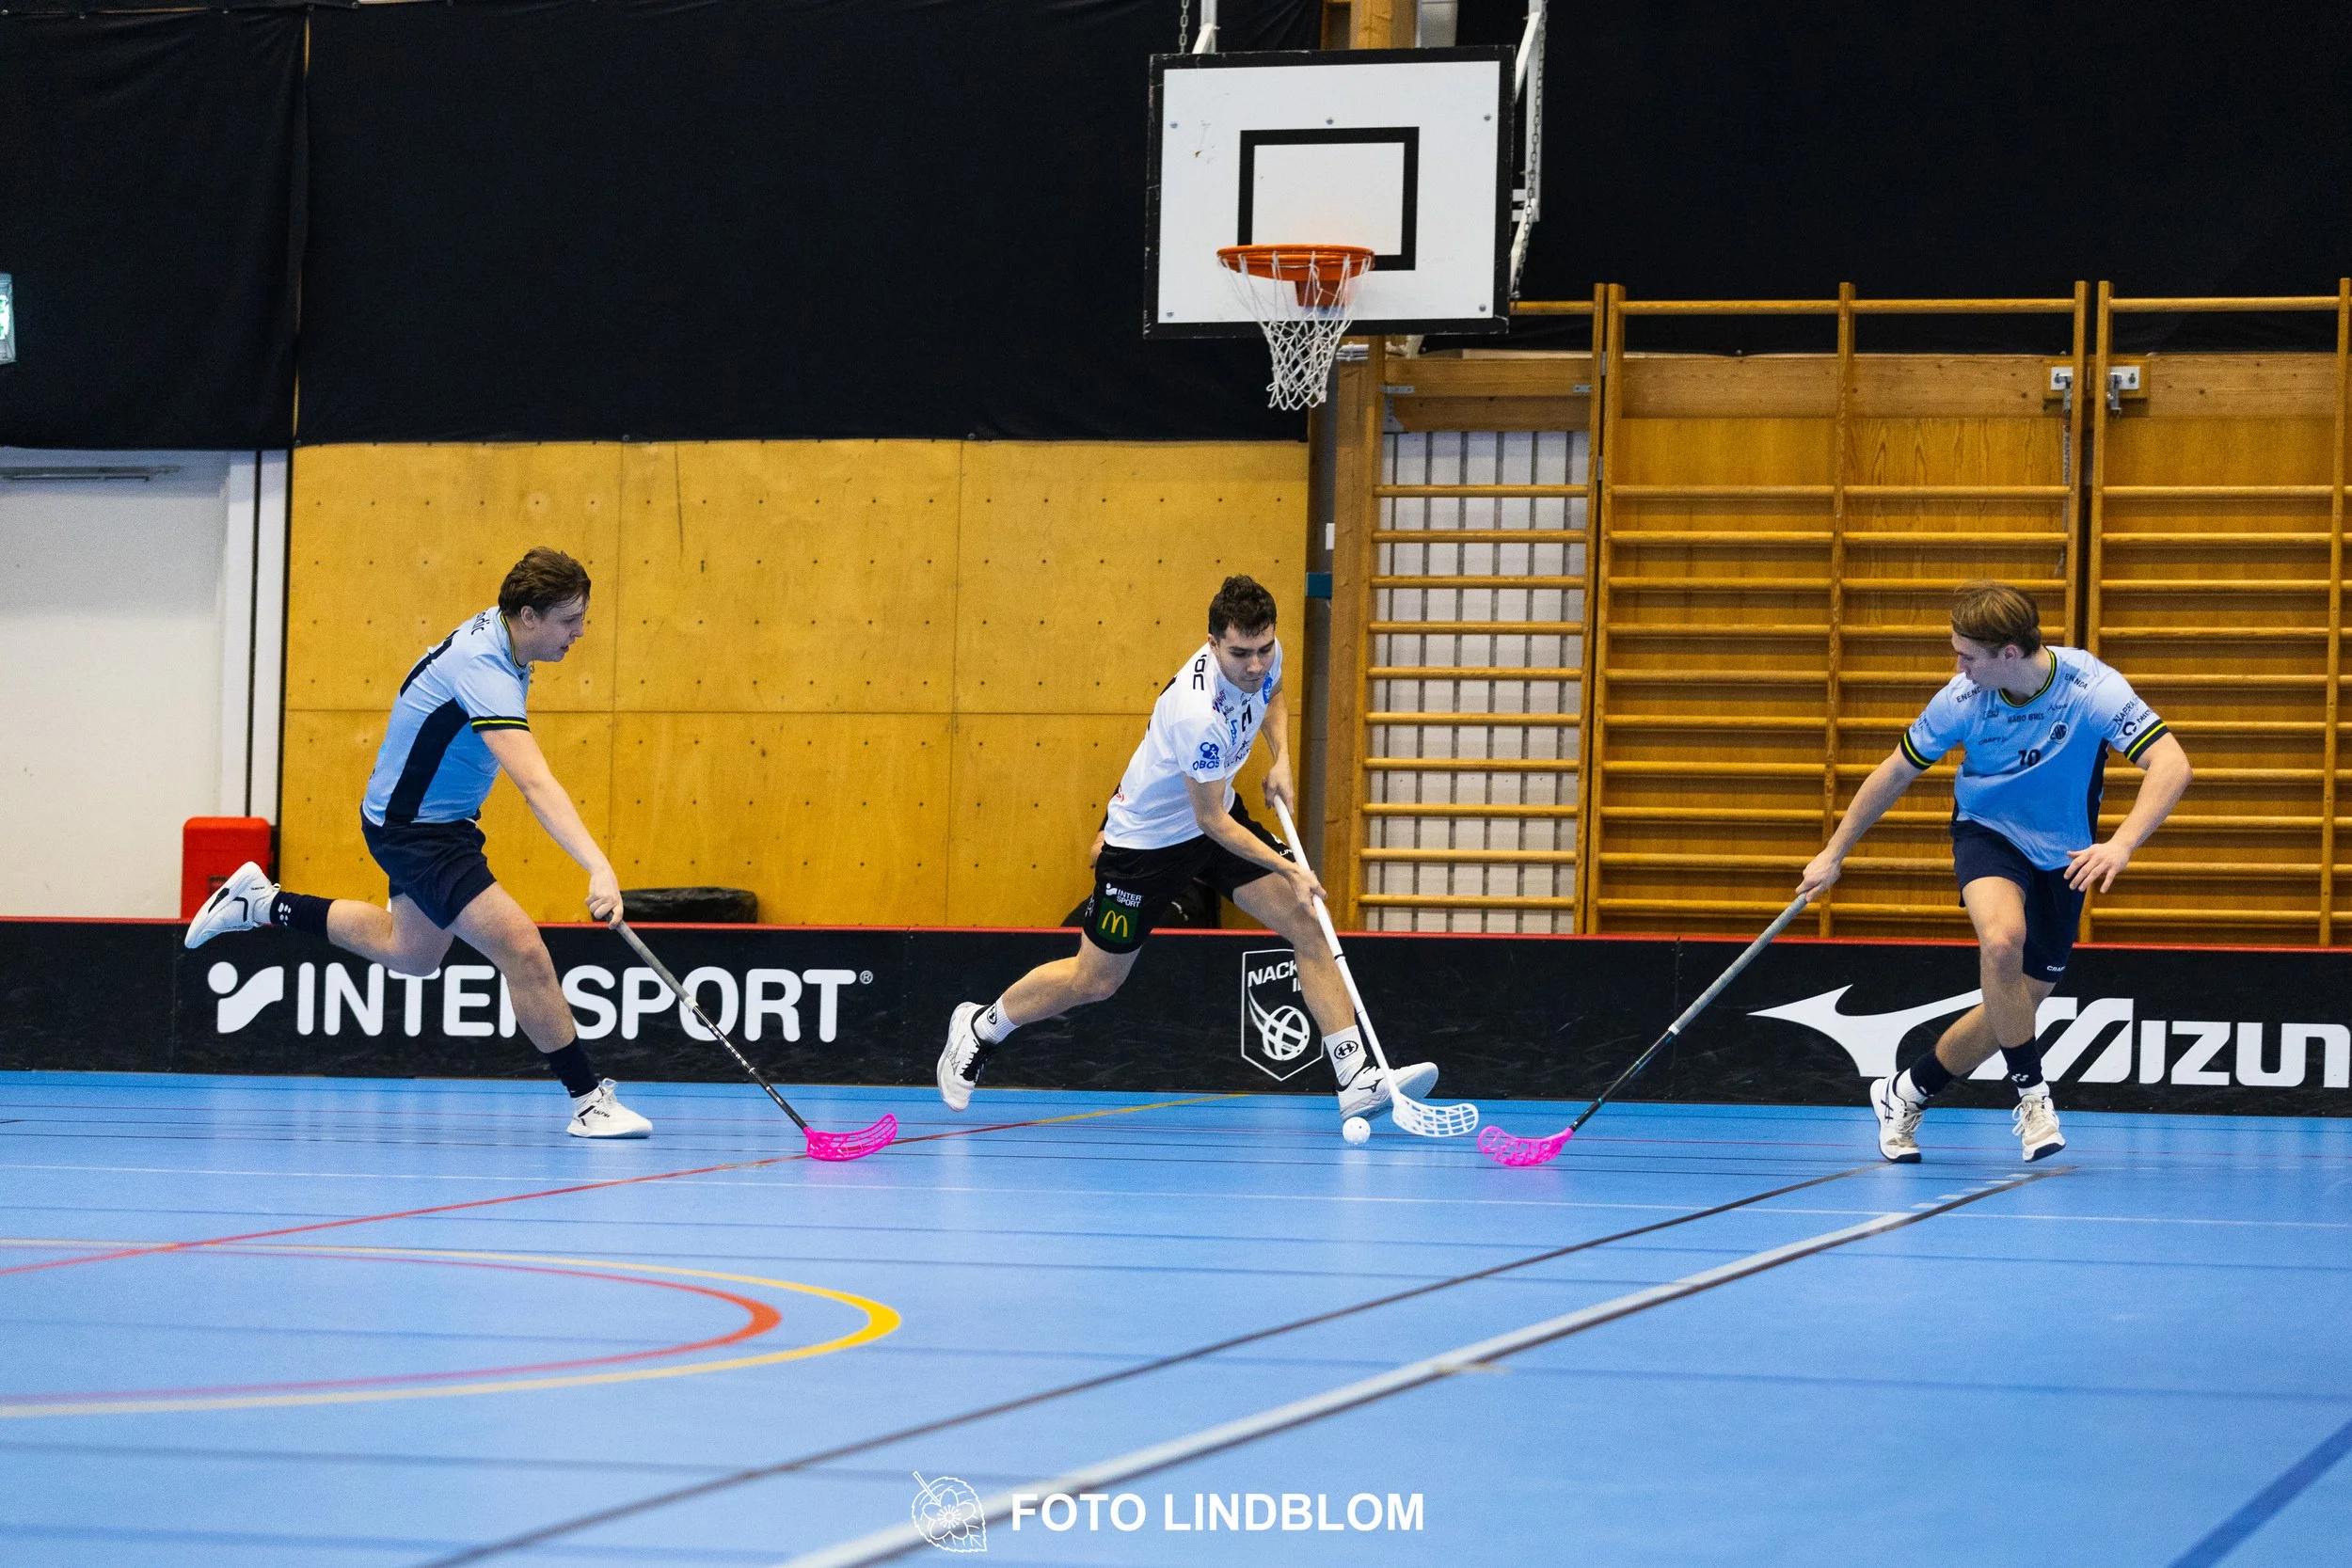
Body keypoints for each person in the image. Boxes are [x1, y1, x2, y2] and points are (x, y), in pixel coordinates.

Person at [185, 547, 652, 1139]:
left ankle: (263, 903)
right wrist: (598, 865)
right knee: (524, 950)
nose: (579, 632)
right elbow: (535, 783)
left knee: (412, 953)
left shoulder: (507, 637)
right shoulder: (484, 671)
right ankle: (589, 1102)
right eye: (569, 620)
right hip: (417, 831)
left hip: (433, 821)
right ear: (528, 616)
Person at [937, 575, 1435, 1119]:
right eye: (1240, 653)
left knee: (1309, 923)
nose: (1255, 664)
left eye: (1264, 649)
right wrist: (1289, 868)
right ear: (1212, 643)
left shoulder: (1266, 657)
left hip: (1213, 823)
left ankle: (1355, 1078)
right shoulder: (1197, 714)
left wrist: (1282, 759)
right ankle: (981, 1027)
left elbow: (1272, 695)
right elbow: (1212, 820)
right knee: (1095, 980)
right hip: (1147, 845)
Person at [1799, 581, 2192, 1163]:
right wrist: (1833, 853)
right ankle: (2033, 1098)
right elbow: (1895, 771)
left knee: (2013, 1006)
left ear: (2009, 653)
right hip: (1987, 833)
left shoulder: (2091, 688)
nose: (1958, 667)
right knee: (2003, 940)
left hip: (2064, 856)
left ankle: (1906, 1091)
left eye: (1967, 656)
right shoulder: (1961, 699)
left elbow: (2172, 763)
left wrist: (2122, 844)